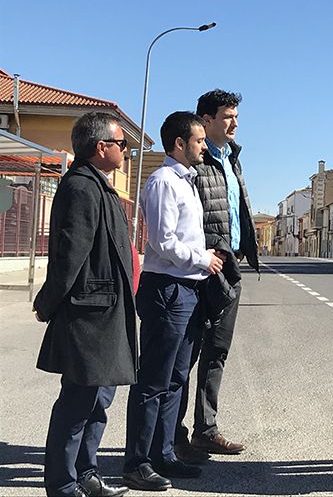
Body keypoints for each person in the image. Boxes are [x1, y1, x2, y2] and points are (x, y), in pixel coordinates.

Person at [34, 112, 135, 497]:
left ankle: (86, 473)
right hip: (89, 316)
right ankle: (62, 484)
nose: (125, 151)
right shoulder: (80, 187)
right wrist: (48, 302)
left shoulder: (99, 185)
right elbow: (69, 255)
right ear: (101, 147)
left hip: (107, 314)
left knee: (98, 401)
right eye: (121, 144)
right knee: (76, 404)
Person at [123, 112, 224, 491]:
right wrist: (203, 259)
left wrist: (204, 256)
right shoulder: (164, 181)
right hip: (167, 288)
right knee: (153, 380)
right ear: (179, 143)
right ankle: (137, 461)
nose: (203, 146)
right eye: (198, 140)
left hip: (188, 289)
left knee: (176, 378)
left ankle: (163, 453)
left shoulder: (187, 181)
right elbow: (163, 242)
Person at [173, 89, 260, 463]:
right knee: (185, 354)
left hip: (230, 266)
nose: (235, 123)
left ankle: (205, 431)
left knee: (217, 352)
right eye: (227, 116)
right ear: (205, 121)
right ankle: (171, 435)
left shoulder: (231, 158)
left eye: (236, 116)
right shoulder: (195, 158)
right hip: (201, 266)